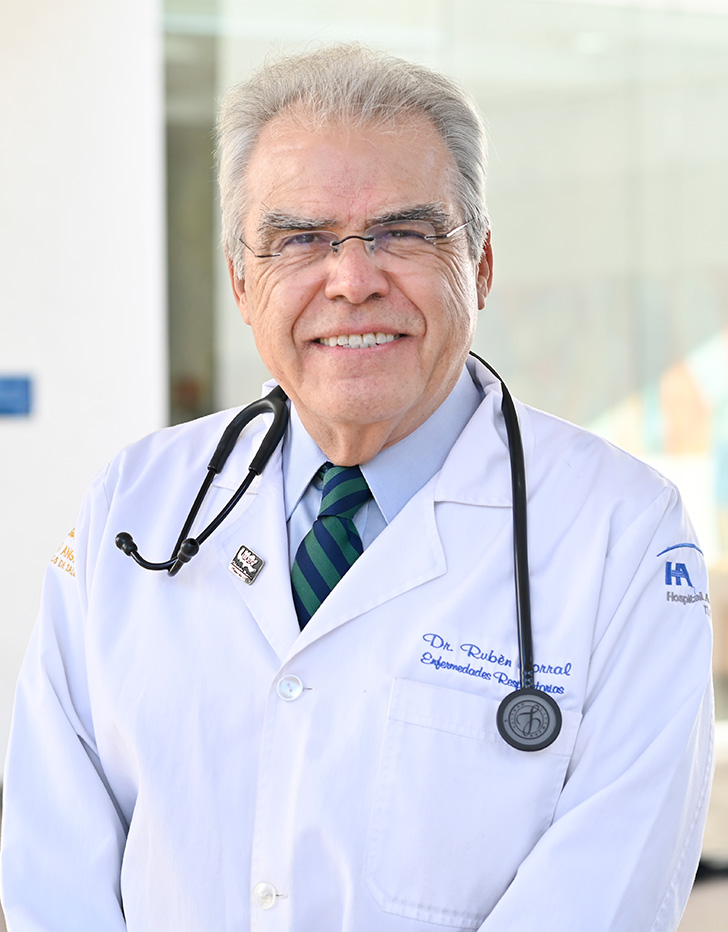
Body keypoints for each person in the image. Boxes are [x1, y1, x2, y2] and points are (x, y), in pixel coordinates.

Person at [0, 44, 714, 932]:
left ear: (481, 266)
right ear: (241, 282)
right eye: (300, 238)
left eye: (403, 233)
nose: (352, 280)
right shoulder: (135, 503)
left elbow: (607, 885)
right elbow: (54, 859)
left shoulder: (624, 533)